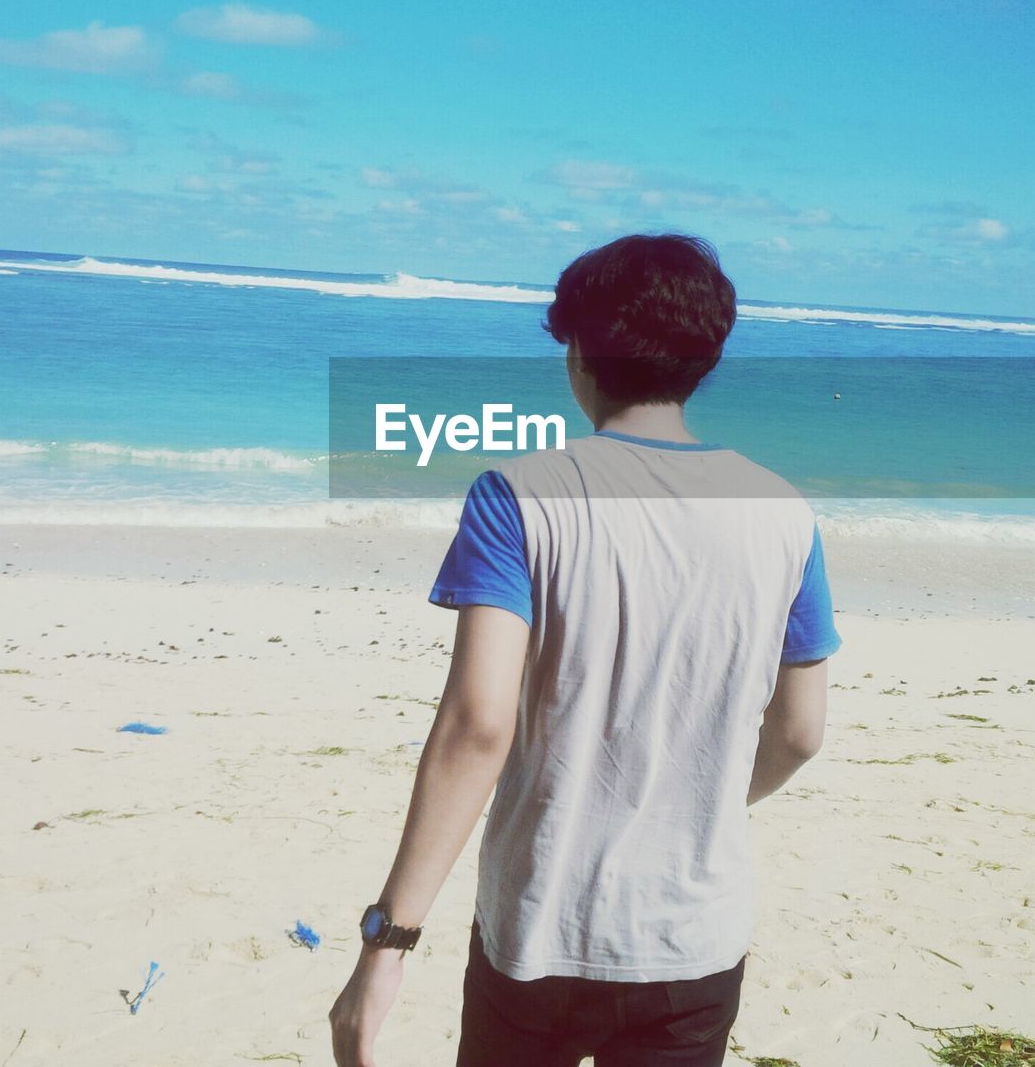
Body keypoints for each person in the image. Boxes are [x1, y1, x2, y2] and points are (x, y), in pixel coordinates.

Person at [330, 233, 842, 1067]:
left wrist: (387, 943)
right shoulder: (786, 513)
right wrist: (699, 805)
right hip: (694, 939)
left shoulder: (518, 497)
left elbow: (477, 727)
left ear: (578, 351)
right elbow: (799, 735)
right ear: (707, 356)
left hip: (542, 930)